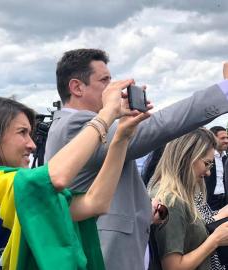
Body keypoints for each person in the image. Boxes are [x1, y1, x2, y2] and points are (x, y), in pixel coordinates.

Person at [44, 48, 228, 269]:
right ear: (77, 87)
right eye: (104, 81)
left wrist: (143, 213)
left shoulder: (83, 127)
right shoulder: (74, 126)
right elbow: (155, 128)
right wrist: (223, 91)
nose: (112, 89)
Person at [0, 79, 152, 269]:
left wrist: (121, 137)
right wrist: (106, 115)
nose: (32, 145)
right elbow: (57, 177)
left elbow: (95, 203)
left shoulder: (19, 189)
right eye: (22, 133)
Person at [148, 128, 228, 270]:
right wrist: (214, 241)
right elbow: (173, 266)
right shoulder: (171, 200)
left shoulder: (183, 192)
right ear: (188, 157)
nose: (209, 172)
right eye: (207, 164)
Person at [206, 126, 228, 210]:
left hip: (224, 200)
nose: (226, 141)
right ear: (213, 139)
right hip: (209, 201)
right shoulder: (204, 158)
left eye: (227, 138)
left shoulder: (225, 159)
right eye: (222, 138)